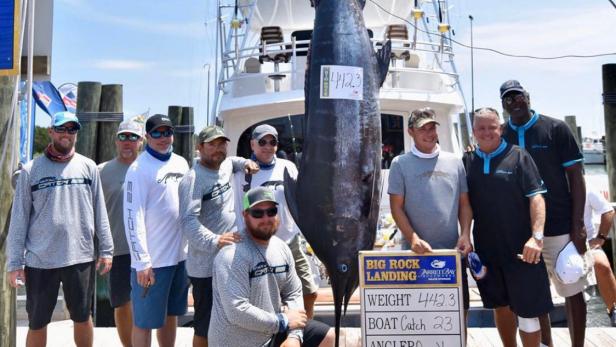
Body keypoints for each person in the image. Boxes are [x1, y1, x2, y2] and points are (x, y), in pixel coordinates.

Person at [6, 111, 113, 347]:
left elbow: (100, 212)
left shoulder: (89, 167)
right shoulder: (30, 170)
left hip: (80, 257)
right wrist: (14, 264)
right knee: (37, 322)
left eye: (72, 129)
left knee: (83, 317)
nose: (67, 134)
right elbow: (19, 219)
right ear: (51, 131)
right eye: (62, 129)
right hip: (39, 260)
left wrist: (106, 249)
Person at [500, 80, 588, 347]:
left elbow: (576, 178)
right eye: (508, 99)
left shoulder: (556, 128)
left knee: (572, 287)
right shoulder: (501, 134)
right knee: (537, 296)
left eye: (518, 96)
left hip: (560, 225)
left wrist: (578, 226)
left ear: (527, 97)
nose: (514, 102)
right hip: (522, 230)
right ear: (503, 104)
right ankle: (547, 344)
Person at [465, 107, 552, 347]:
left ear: (501, 128)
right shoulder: (468, 160)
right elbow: (464, 204)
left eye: (491, 127)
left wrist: (536, 237)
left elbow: (537, 198)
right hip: (487, 250)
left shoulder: (520, 156)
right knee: (500, 306)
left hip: (522, 250)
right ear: (473, 132)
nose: (486, 132)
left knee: (527, 312)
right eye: (480, 128)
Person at [209, 187, 335, 347]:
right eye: (257, 213)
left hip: (272, 331)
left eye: (271, 211)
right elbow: (236, 311)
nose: (266, 218)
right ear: (245, 215)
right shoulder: (230, 255)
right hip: (239, 341)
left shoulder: (282, 248)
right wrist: (282, 321)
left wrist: (294, 336)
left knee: (328, 336)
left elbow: (294, 292)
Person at [388, 107, 473, 319]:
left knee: (459, 312)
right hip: (416, 254)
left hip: (453, 254)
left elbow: (464, 203)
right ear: (410, 132)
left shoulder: (455, 161)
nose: (429, 133)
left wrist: (465, 234)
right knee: (420, 316)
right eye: (422, 129)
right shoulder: (400, 164)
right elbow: (396, 207)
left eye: (432, 127)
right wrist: (413, 238)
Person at [178, 125, 259, 347]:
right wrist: (215, 240)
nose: (217, 149)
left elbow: (234, 162)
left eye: (221, 143)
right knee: (205, 324)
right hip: (205, 267)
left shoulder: (224, 164)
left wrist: (246, 163)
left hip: (231, 260)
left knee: (233, 319)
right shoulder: (193, 179)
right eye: (211, 144)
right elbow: (188, 221)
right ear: (199, 147)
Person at [233, 124, 319, 318]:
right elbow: (218, 162)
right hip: (256, 244)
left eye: (272, 142)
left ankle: (304, 333)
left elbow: (302, 199)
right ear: (252, 144)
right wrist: (241, 162)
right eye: (262, 142)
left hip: (290, 241)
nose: (267, 146)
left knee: (310, 293)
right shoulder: (240, 172)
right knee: (265, 299)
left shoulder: (287, 166)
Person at [123, 114, 190, 347]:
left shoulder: (182, 163)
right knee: (144, 322)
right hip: (153, 262)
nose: (163, 138)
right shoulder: (138, 169)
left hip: (180, 258)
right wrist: (142, 261)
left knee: (171, 315)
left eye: (167, 132)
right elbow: (132, 216)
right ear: (147, 136)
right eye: (157, 133)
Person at [98, 119, 144, 346]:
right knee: (122, 303)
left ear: (141, 141)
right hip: (118, 249)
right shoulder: (101, 171)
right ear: (116, 140)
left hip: (149, 250)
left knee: (147, 303)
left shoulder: (150, 166)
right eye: (123, 137)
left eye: (133, 137)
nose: (128, 142)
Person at [583, 186, 616, 326]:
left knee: (602, 265)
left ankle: (614, 311)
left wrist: (601, 238)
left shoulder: (587, 188)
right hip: (554, 244)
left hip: (586, 243)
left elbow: (608, 210)